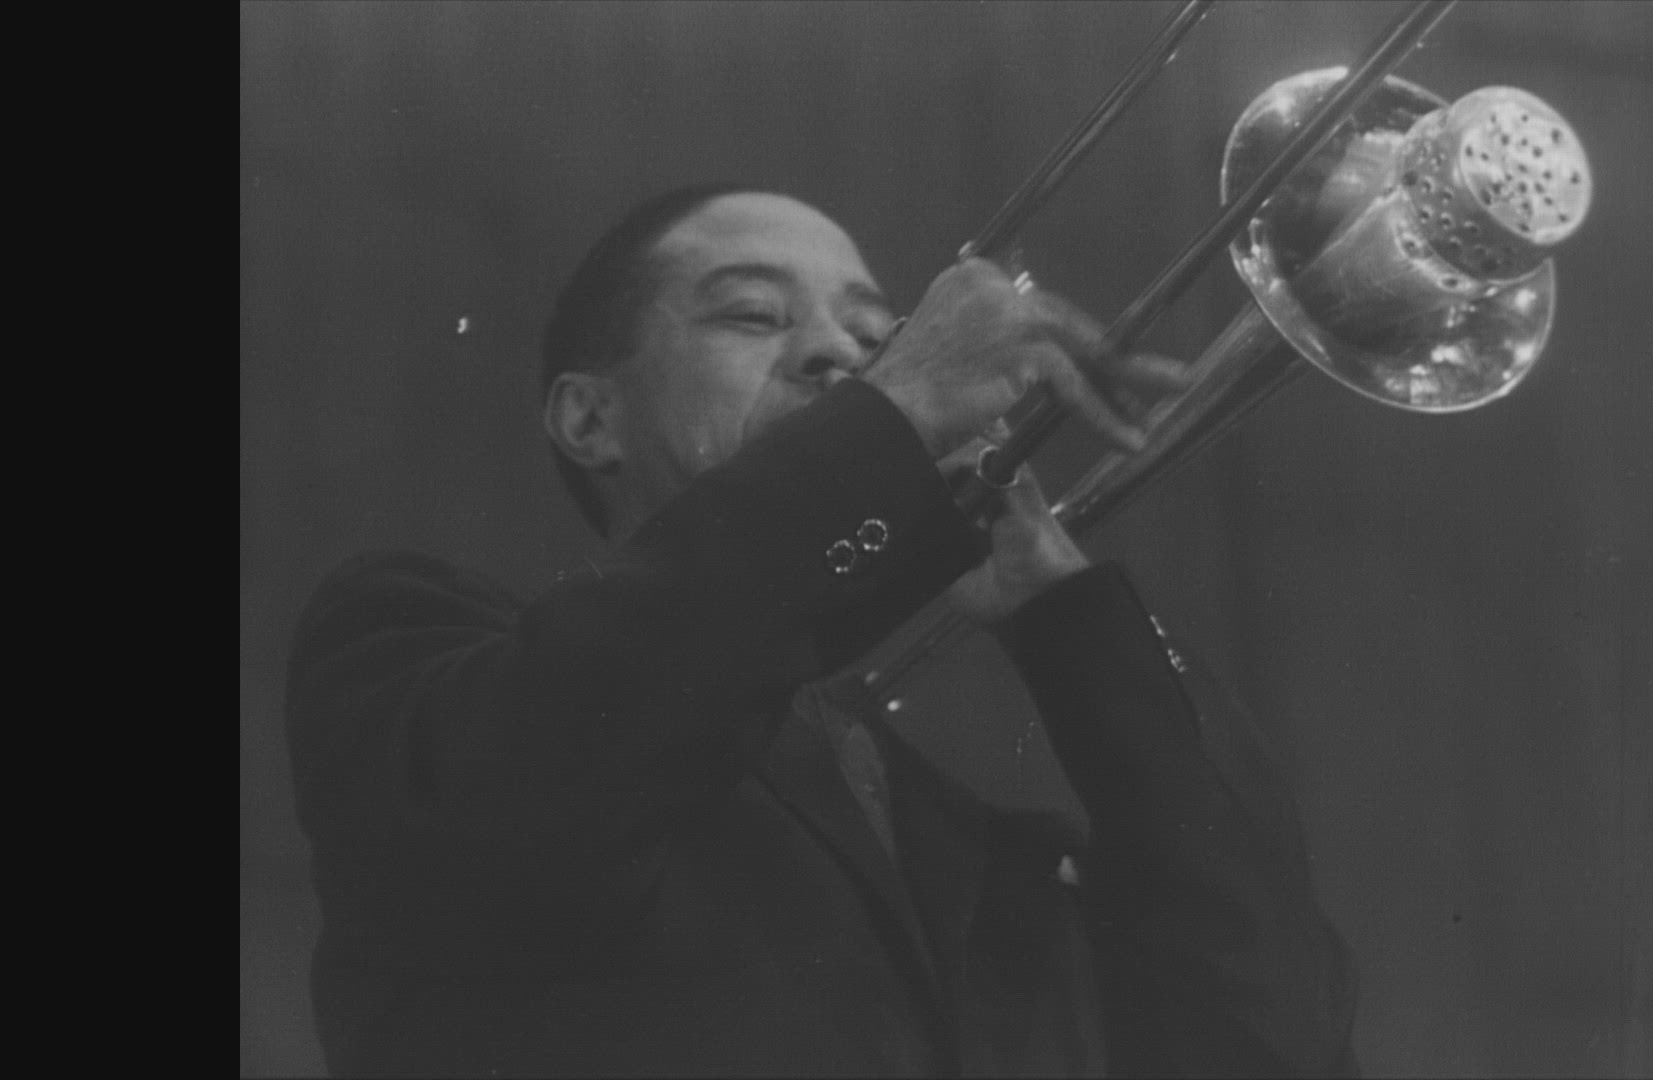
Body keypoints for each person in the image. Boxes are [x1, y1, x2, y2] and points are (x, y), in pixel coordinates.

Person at [286, 183, 1358, 1077]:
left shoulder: (981, 861)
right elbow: (554, 760)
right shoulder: (406, 642)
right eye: (754, 315)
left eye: (878, 337)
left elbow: (1272, 1040)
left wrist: (1067, 615)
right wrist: (886, 424)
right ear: (588, 417)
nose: (839, 357)